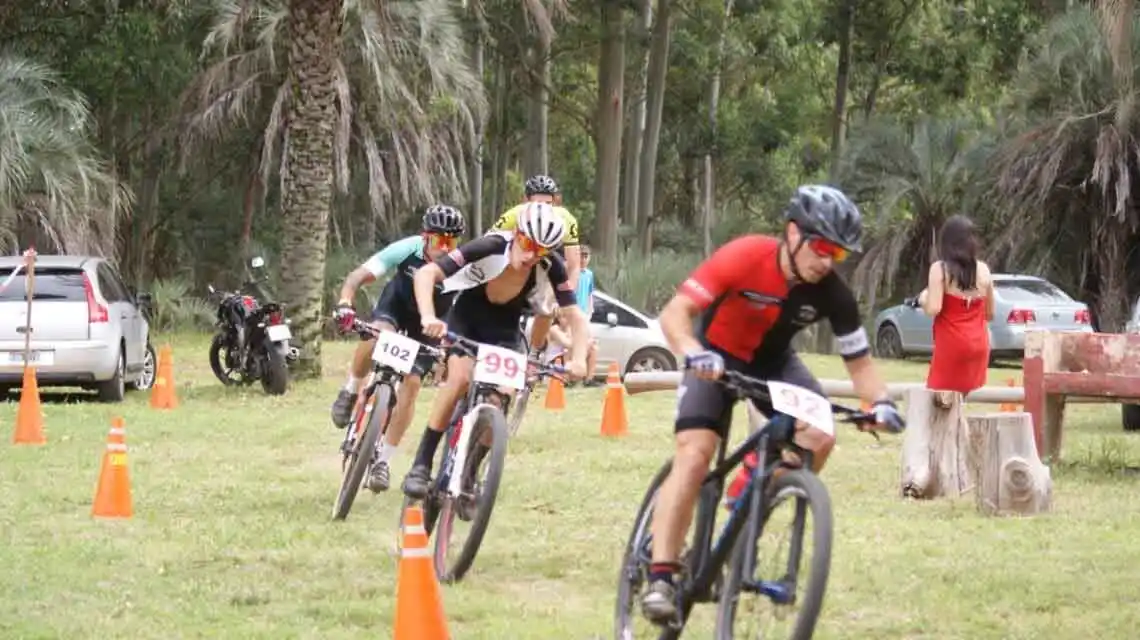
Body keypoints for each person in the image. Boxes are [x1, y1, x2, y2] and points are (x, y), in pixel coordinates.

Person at [639, 185, 907, 624]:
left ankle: (748, 506)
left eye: (837, 255)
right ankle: (662, 574)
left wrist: (880, 404)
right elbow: (676, 313)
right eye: (820, 247)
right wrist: (692, 353)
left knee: (820, 436)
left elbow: (859, 364)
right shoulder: (745, 255)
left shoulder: (833, 294)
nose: (825, 261)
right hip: (714, 357)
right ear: (792, 233)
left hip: (774, 364)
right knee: (696, 455)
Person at [403, 202, 592, 518]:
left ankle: (469, 475)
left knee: (501, 397)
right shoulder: (491, 246)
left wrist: (579, 358)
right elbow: (427, 273)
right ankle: (422, 461)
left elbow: (575, 316)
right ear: (517, 235)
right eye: (529, 244)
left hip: (504, 328)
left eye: (543, 250)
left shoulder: (552, 266)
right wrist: (427, 315)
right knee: (460, 379)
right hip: (467, 317)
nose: (532, 255)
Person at [328, 205, 466, 492]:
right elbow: (358, 276)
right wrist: (345, 302)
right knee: (374, 333)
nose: (443, 248)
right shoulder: (407, 248)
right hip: (396, 309)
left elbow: (468, 313)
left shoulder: (461, 267)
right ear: (423, 237)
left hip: (430, 326)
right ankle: (351, 389)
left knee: (413, 383)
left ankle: (384, 462)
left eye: (450, 242)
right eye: (437, 240)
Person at [489, 174, 582, 359]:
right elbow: (489, 246)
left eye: (547, 204)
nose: (542, 209)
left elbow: (574, 264)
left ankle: (534, 353)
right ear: (525, 200)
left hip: (543, 265)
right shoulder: (513, 215)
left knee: (546, 307)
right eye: (536, 203)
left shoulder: (567, 220)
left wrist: (565, 298)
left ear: (555, 202)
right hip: (515, 263)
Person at [918, 214, 993, 393]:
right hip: (978, 345)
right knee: (960, 399)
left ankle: (955, 422)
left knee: (937, 400)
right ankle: (959, 422)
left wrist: (923, 299)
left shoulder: (940, 269)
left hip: (952, 344)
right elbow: (989, 313)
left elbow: (934, 308)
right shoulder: (983, 269)